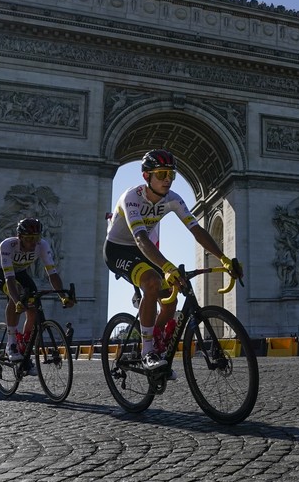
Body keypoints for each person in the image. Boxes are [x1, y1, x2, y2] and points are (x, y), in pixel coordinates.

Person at [104, 148, 243, 372]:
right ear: (146, 176)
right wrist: (166, 266)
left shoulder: (173, 199)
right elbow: (140, 238)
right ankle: (147, 351)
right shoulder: (130, 197)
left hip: (142, 251)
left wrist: (224, 259)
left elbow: (197, 230)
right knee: (151, 281)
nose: (167, 180)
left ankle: (155, 341)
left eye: (171, 175)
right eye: (161, 174)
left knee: (172, 298)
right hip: (118, 250)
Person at [0, 218, 75, 366]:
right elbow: (9, 279)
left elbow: (52, 274)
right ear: (20, 237)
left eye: (36, 238)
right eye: (28, 239)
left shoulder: (42, 245)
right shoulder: (8, 245)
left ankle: (25, 346)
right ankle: (11, 343)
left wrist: (62, 296)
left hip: (21, 272)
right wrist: (17, 302)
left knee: (34, 307)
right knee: (16, 293)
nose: (33, 243)